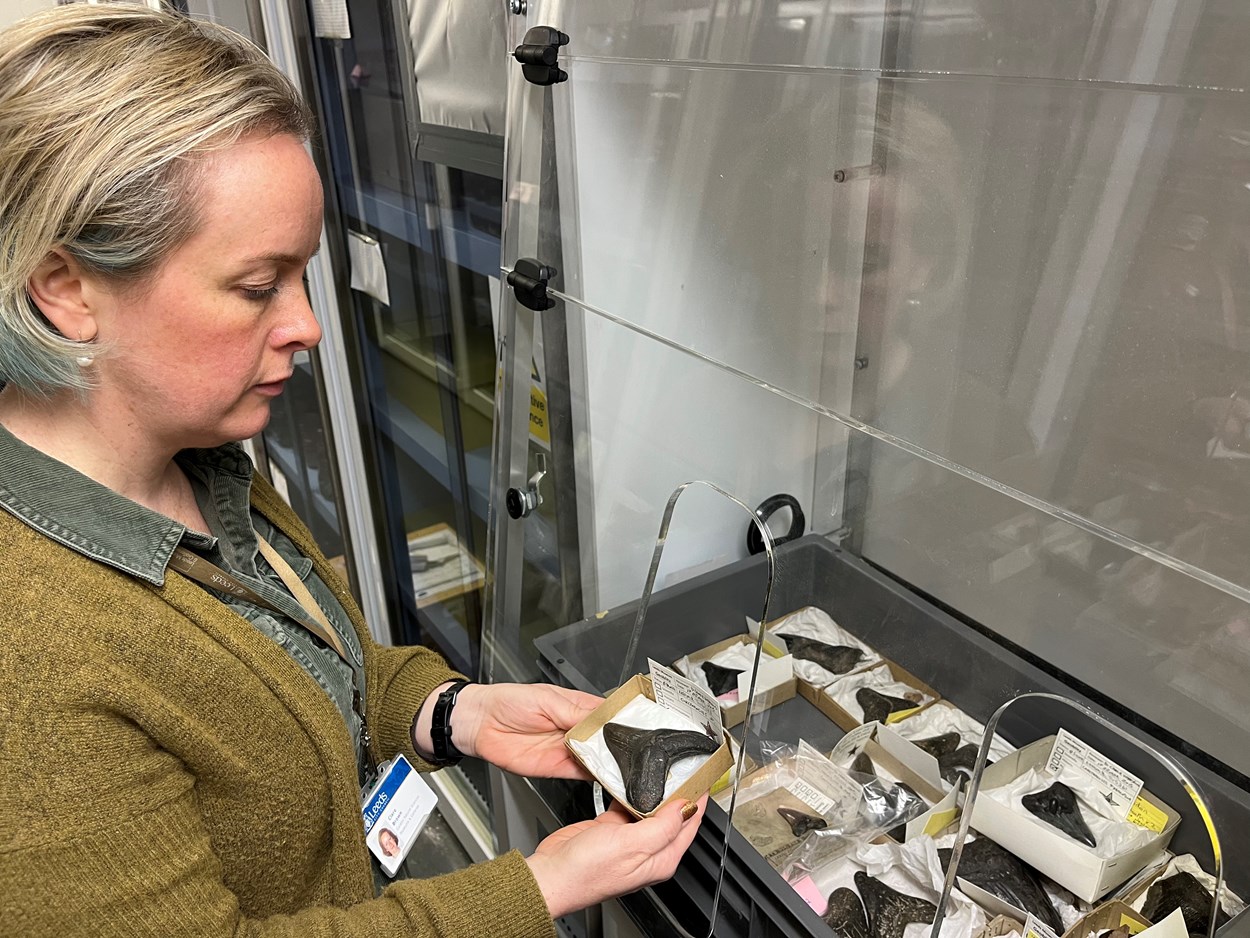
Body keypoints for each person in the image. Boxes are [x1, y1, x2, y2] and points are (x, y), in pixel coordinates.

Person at [0, 6, 706, 937]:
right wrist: (533, 891)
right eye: (257, 287)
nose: (306, 325)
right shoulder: (29, 660)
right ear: (66, 288)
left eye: (303, 276)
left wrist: (452, 713)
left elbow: (285, 678)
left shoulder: (196, 455)